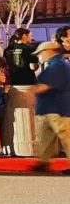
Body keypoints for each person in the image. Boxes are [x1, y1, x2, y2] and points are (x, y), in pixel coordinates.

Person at [29, 41, 70, 174]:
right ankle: (43, 162)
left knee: (66, 138)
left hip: (57, 109)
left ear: (50, 51)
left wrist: (31, 92)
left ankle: (43, 162)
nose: (39, 56)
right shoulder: (56, 65)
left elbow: (47, 85)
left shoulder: (57, 65)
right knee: (45, 138)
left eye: (40, 53)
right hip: (50, 108)